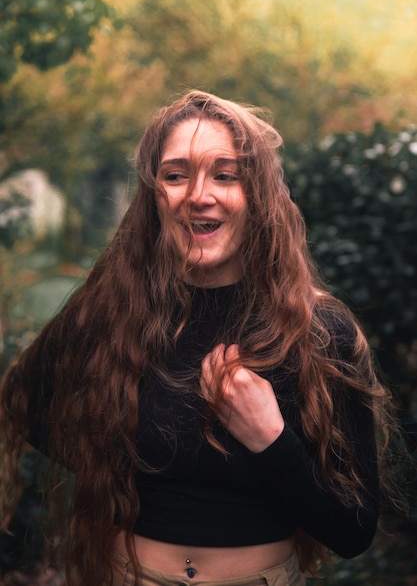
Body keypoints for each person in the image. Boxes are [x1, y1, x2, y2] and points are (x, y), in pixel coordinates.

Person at [0, 91, 399, 586]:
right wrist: (117, 466)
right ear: (154, 195)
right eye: (175, 174)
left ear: (258, 195)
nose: (198, 194)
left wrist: (270, 441)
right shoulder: (113, 310)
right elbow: (26, 401)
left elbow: (353, 531)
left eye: (225, 174)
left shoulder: (318, 331)